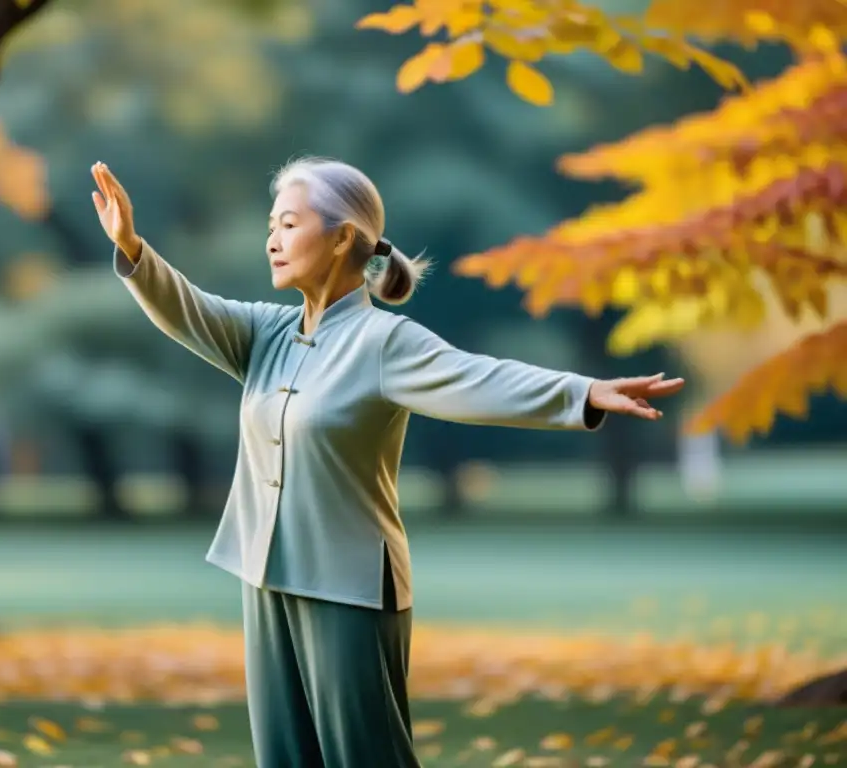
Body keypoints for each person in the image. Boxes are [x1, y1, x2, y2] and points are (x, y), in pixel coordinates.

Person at [91, 157, 685, 768]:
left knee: (365, 756)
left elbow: (478, 379)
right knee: (284, 756)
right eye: (271, 224)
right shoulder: (264, 333)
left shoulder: (384, 342)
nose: (271, 239)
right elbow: (185, 307)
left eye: (289, 223)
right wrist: (132, 247)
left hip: (349, 584)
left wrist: (581, 392)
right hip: (266, 573)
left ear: (343, 235)